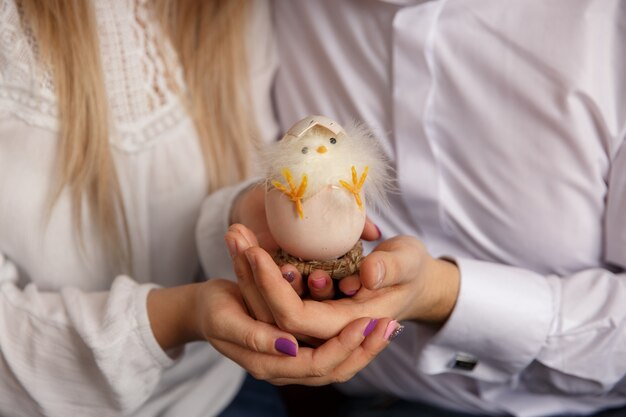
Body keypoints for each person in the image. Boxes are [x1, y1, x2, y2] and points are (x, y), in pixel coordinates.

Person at [200, 0, 626, 416]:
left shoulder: (607, 29)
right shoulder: (274, 12)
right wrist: (248, 214)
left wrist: (442, 295)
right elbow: (226, 173)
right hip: (358, 398)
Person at [0, 1, 397, 416]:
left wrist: (241, 214)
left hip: (221, 391)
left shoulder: (225, 11)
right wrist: (180, 316)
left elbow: (250, 171)